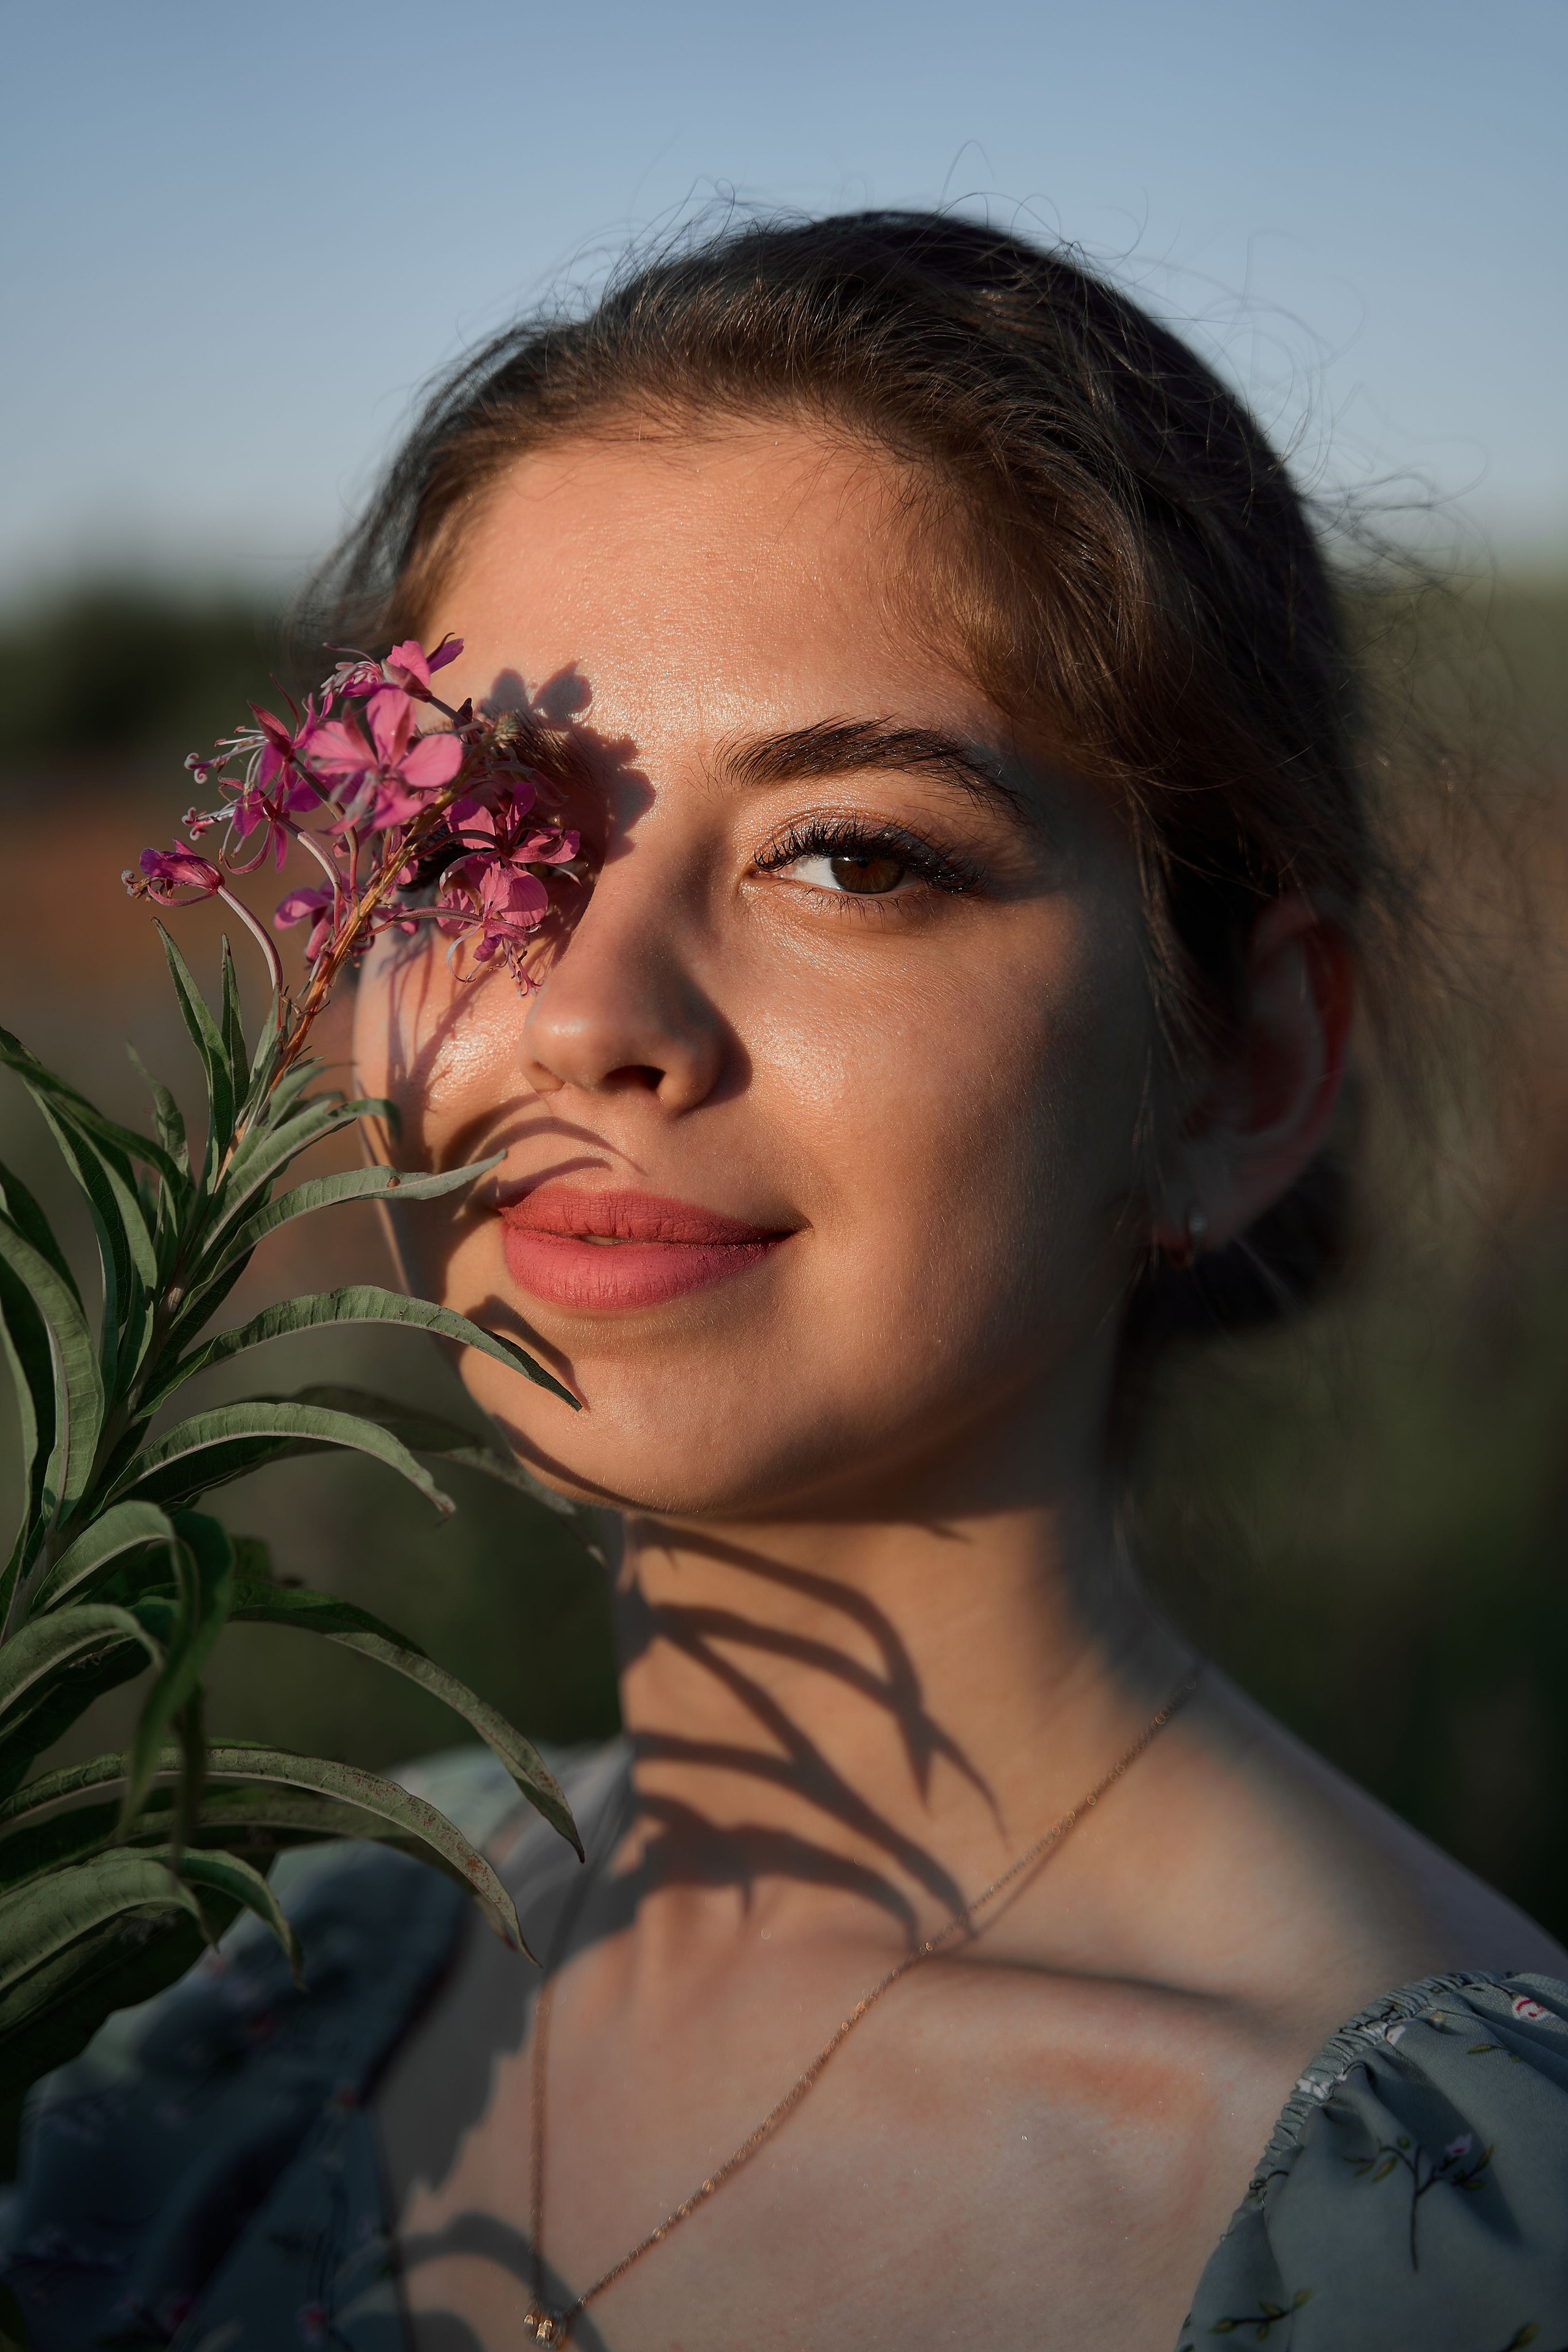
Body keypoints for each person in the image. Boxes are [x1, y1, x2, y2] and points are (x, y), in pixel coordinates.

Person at [7, 211, 1567, 2352]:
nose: (585, 1015)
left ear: (1247, 1067)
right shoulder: (280, 1977)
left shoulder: (1445, 2224)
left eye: (852, 853)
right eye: (477, 853)